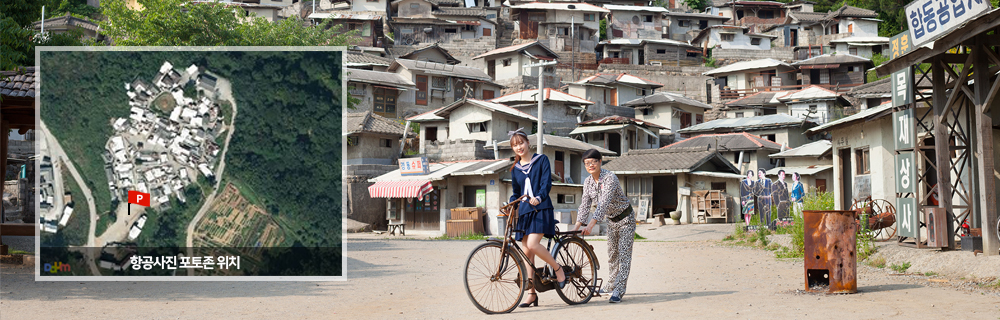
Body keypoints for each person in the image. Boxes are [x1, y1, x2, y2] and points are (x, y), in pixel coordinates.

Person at [507, 129, 564, 308]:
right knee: (527, 253)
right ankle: (532, 294)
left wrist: (539, 197)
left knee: (532, 244)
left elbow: (546, 183)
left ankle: (558, 269)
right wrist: (511, 204)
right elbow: (516, 193)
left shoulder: (541, 160)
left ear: (527, 143)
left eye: (521, 143)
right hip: (524, 212)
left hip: (541, 208)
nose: (519, 147)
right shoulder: (515, 169)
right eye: (515, 145)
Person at [571, 149, 633, 303]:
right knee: (612, 254)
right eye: (587, 163)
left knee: (624, 255)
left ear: (600, 161)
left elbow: (603, 204)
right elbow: (585, 205)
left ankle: (619, 289)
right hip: (611, 221)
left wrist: (591, 225)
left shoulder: (610, 178)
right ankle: (611, 284)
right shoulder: (588, 182)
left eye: (593, 162)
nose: (590, 165)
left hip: (626, 219)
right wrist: (576, 227)